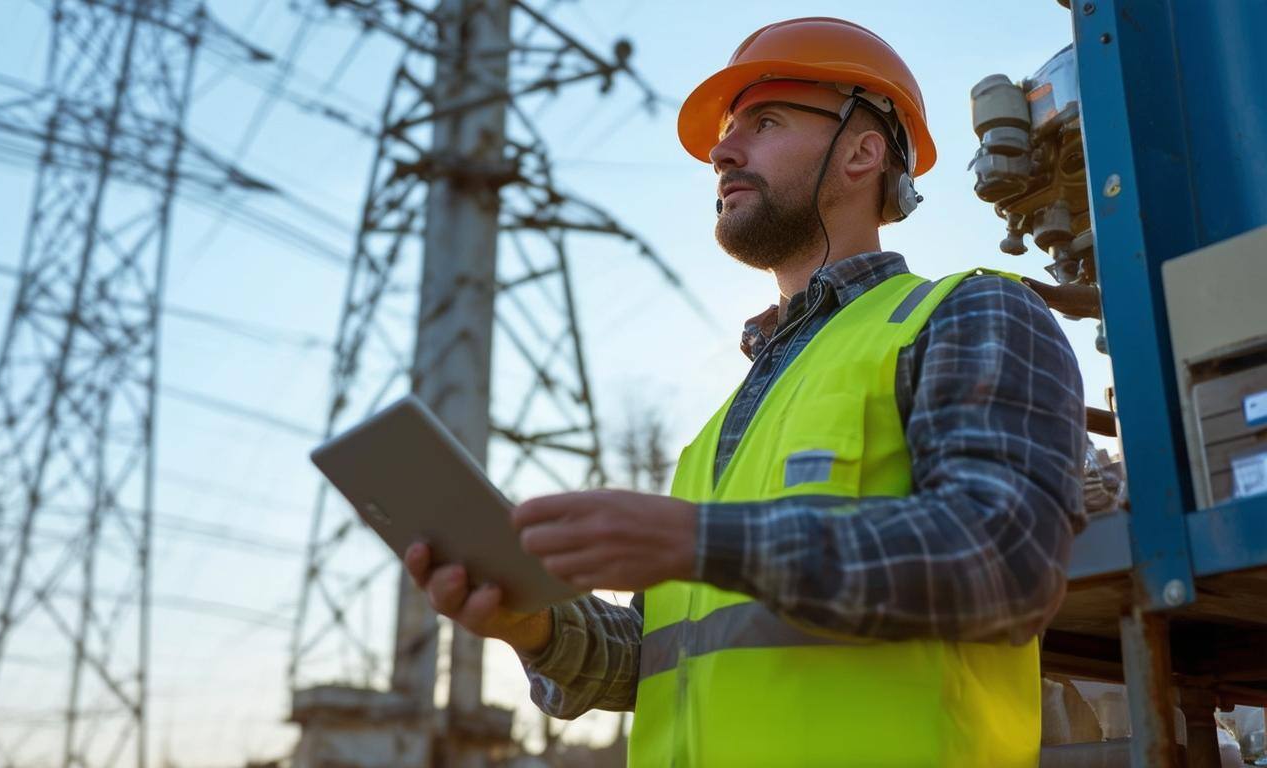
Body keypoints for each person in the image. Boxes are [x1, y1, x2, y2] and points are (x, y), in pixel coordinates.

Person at [405, 16, 1086, 767]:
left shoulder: (966, 314)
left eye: (764, 122)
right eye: (728, 136)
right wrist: (532, 624)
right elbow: (661, 659)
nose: (723, 152)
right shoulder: (723, 429)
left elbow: (1003, 558)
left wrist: (694, 539)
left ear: (863, 152)